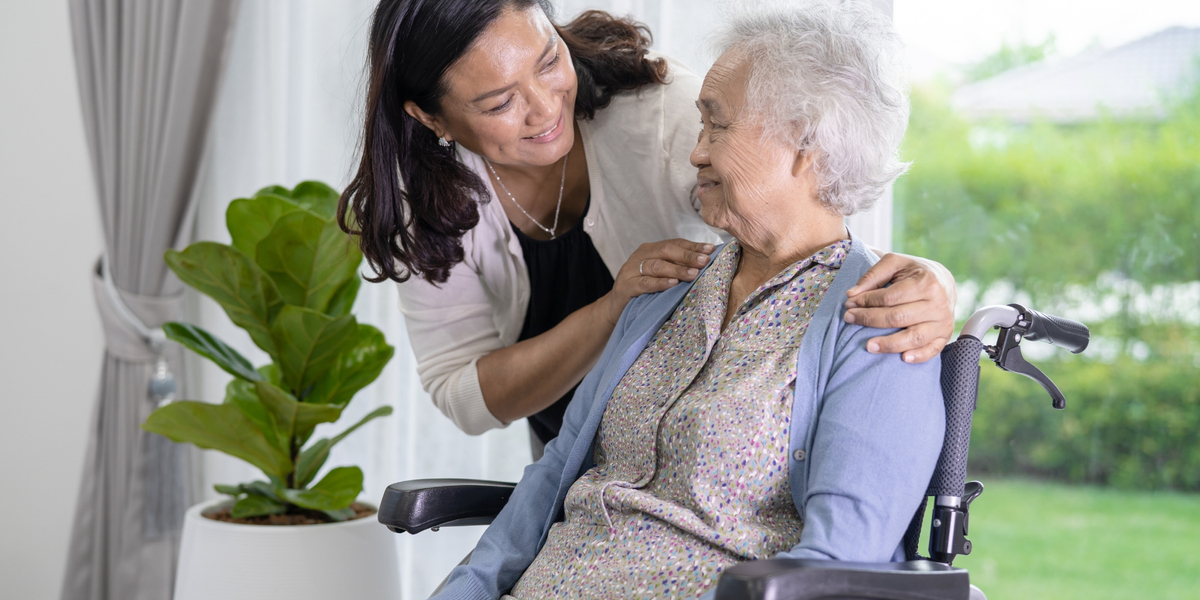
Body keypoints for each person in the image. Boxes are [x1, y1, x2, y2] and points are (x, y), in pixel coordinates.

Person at [428, 1, 944, 597]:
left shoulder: (877, 323)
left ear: (807, 145)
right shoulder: (663, 292)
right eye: (700, 125)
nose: (696, 152)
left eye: (717, 126)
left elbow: (840, 560)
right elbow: (551, 479)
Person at [339, 0, 956, 455]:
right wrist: (611, 311)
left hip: (700, 455)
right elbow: (464, 394)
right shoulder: (424, 202)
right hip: (582, 469)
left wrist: (929, 281)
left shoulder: (665, 117)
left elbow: (809, 208)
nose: (546, 106)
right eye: (500, 103)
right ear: (430, 117)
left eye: (549, 59)